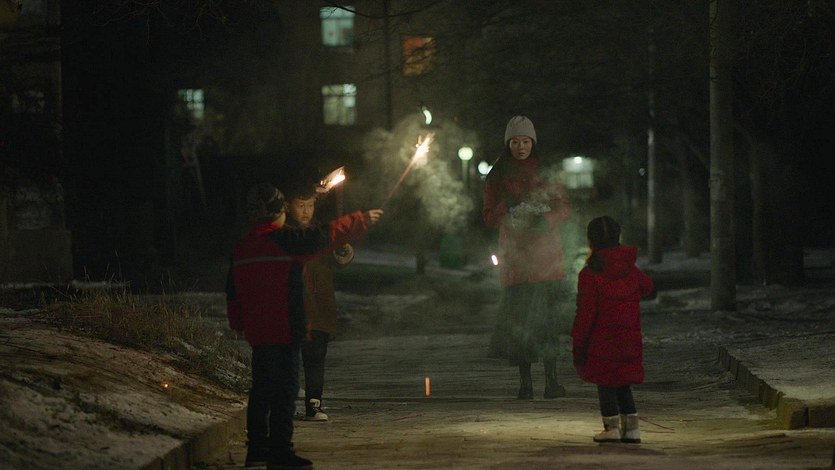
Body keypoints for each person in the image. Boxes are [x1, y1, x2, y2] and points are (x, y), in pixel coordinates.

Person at [226, 183, 383, 468]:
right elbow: (321, 236)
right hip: (285, 327)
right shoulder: (284, 241)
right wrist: (359, 220)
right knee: (286, 390)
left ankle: (257, 450)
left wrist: (237, 321)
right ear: (278, 213)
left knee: (261, 389)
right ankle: (280, 451)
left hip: (258, 332)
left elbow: (233, 290)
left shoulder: (243, 247)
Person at [482, 115, 572, 400]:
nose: (521, 147)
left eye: (525, 141)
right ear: (508, 144)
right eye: (515, 142)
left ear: (533, 142)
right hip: (516, 264)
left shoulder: (546, 170)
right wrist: (505, 207)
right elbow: (488, 217)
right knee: (520, 326)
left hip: (546, 263)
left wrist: (546, 219)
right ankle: (526, 384)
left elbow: (564, 207)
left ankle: (551, 382)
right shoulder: (497, 175)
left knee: (547, 325)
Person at [571, 216, 654, 443]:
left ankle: (612, 427)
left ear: (591, 241)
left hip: (602, 341)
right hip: (628, 339)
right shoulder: (630, 269)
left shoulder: (590, 274)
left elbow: (585, 314)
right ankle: (632, 428)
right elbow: (647, 286)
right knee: (623, 384)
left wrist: (578, 341)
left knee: (606, 384)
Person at [283, 176, 355, 422]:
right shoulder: (283, 233)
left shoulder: (323, 232)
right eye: (300, 205)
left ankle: (314, 403)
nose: (306, 211)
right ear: (288, 206)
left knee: (316, 357)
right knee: (288, 358)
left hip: (319, 305)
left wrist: (342, 250)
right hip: (292, 306)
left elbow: (339, 259)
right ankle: (283, 403)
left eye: (310, 205)